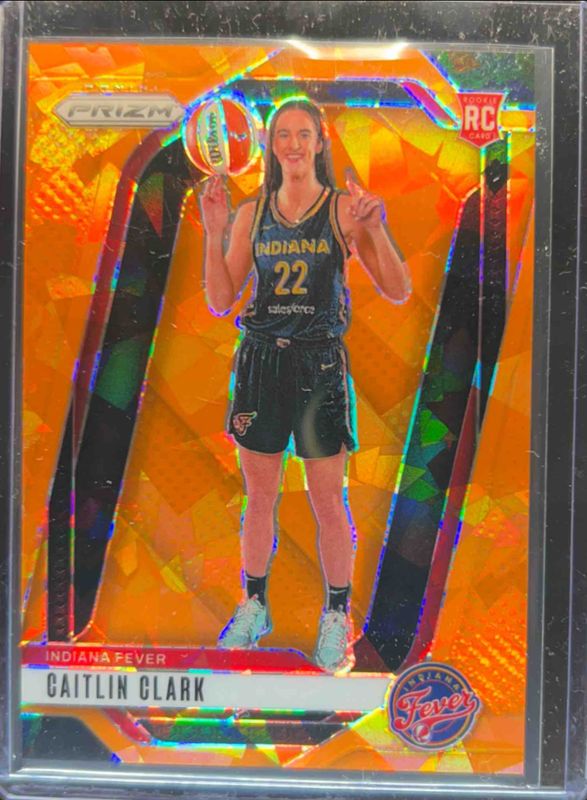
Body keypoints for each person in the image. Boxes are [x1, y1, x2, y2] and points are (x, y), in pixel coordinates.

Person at [200, 98, 410, 673]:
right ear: (270, 145)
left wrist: (377, 228)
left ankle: (337, 616)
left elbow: (397, 289)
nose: (292, 144)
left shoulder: (344, 209)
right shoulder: (252, 213)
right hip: (261, 362)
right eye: (283, 135)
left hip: (318, 365)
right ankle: (254, 605)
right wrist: (214, 232)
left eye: (303, 134)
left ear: (320, 142)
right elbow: (220, 300)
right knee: (259, 496)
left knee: (327, 499)